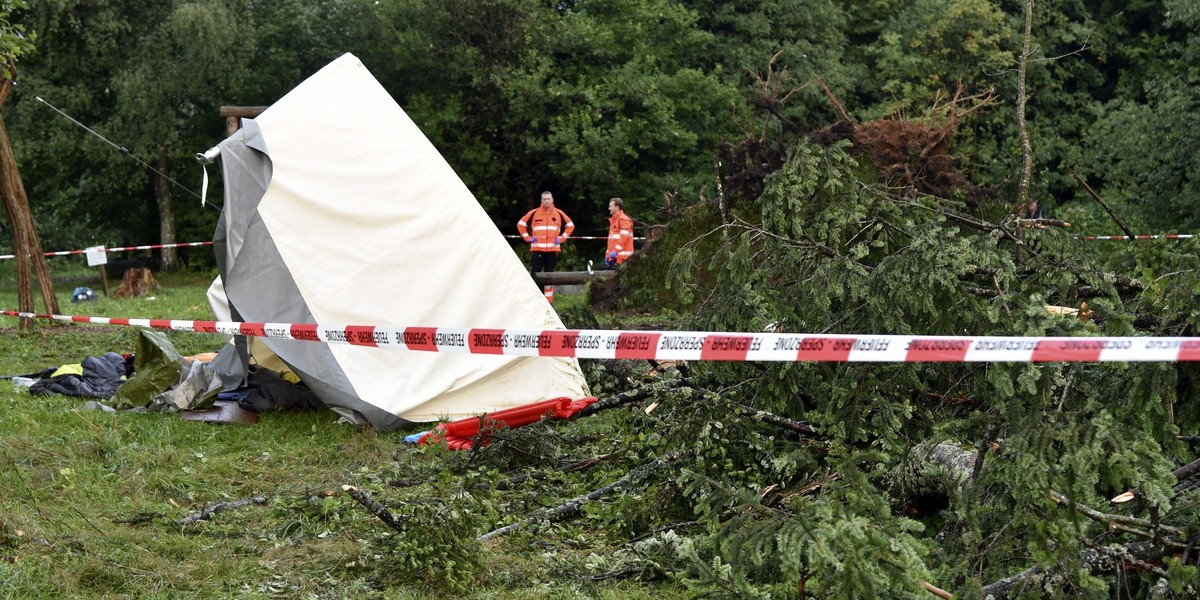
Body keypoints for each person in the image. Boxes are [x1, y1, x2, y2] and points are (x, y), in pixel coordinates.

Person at [517, 191, 574, 302]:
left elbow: (571, 225)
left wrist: (562, 238)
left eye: (548, 199)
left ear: (552, 200)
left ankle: (548, 301)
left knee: (550, 276)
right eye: (544, 199)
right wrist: (527, 238)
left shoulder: (559, 213)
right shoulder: (534, 213)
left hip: (552, 250)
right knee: (535, 275)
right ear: (541, 201)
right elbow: (520, 224)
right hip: (537, 249)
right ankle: (536, 300)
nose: (547, 201)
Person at [605, 197, 634, 267]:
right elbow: (612, 241)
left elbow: (623, 239)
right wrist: (608, 255)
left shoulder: (624, 220)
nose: (609, 208)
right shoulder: (614, 220)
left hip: (624, 258)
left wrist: (615, 251)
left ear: (617, 207)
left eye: (610, 206)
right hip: (616, 257)